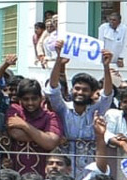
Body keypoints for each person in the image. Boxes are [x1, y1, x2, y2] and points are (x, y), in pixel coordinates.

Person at [47, 42, 114, 172]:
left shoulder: (96, 111)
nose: (80, 92)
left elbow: (107, 94)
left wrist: (106, 66)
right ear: (72, 90)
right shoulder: (63, 108)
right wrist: (58, 60)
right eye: (77, 88)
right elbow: (53, 89)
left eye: (85, 90)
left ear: (91, 93)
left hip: (89, 168)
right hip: (64, 169)